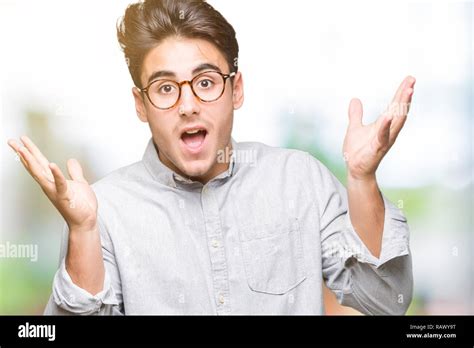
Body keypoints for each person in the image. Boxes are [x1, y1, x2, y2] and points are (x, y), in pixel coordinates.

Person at [7, 0, 415, 315]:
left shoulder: (299, 181)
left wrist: (362, 180)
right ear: (140, 104)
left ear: (236, 90)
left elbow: (386, 301)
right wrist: (82, 232)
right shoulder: (103, 211)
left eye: (205, 82)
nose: (187, 105)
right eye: (166, 88)